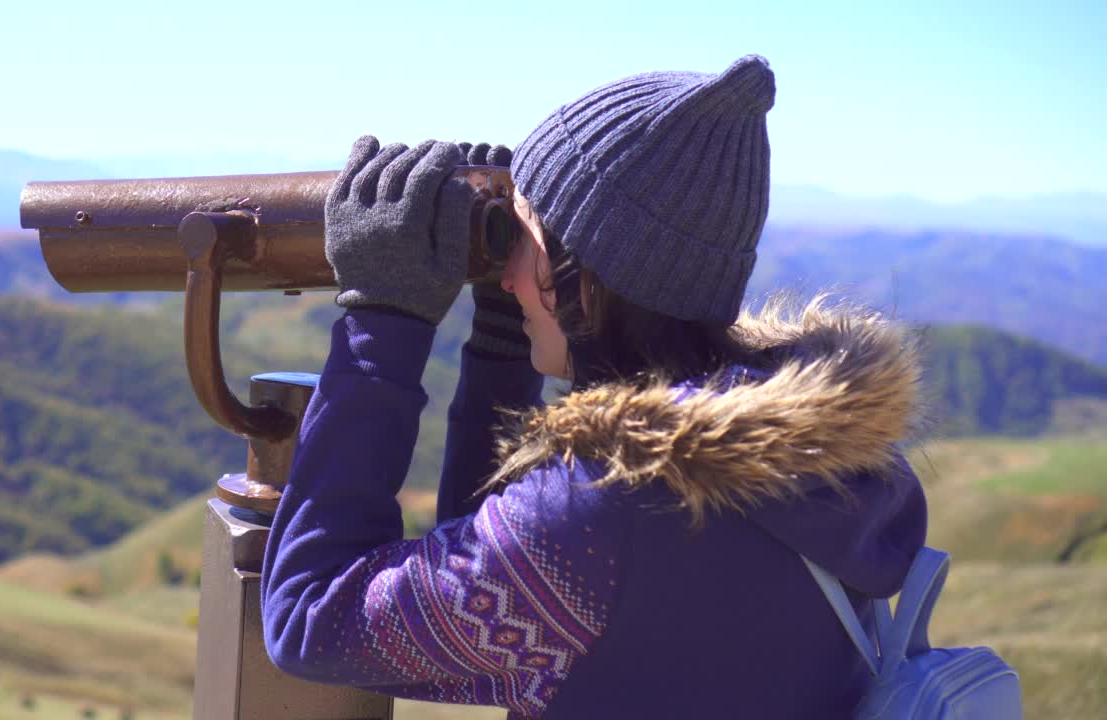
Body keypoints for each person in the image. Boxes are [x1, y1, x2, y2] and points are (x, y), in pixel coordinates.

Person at [260, 55, 928, 719]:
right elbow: (501, 566)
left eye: (517, 238)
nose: (507, 275)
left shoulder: (601, 515)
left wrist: (384, 318)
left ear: (584, 269)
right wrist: (502, 343)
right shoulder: (827, 472)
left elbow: (313, 619)